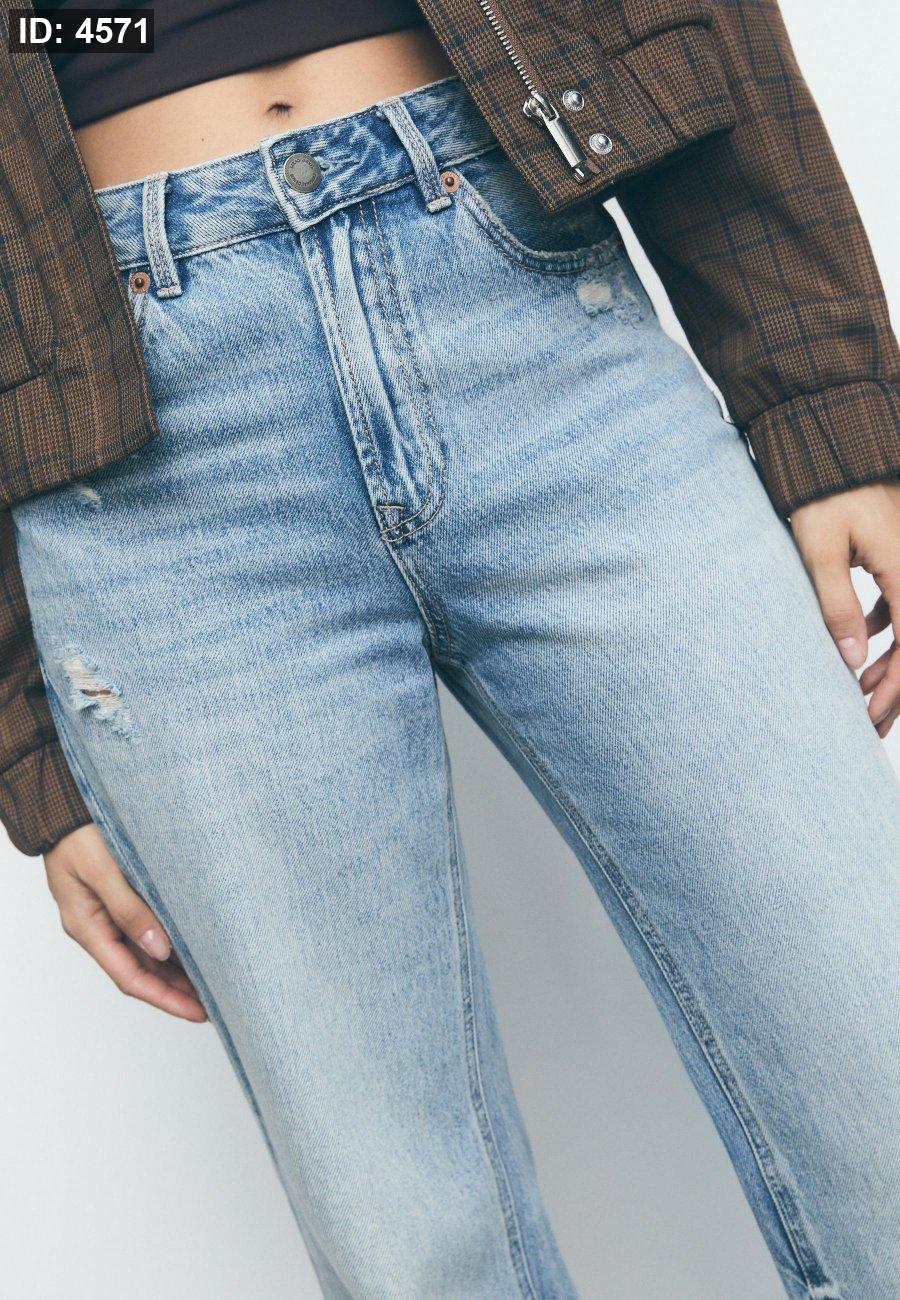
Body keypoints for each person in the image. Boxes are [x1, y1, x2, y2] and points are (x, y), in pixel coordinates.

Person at [1, 2, 898, 1296]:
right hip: (140, 467)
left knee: (875, 1059)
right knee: (415, 1249)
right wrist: (25, 730)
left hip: (527, 296)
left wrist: (823, 394)